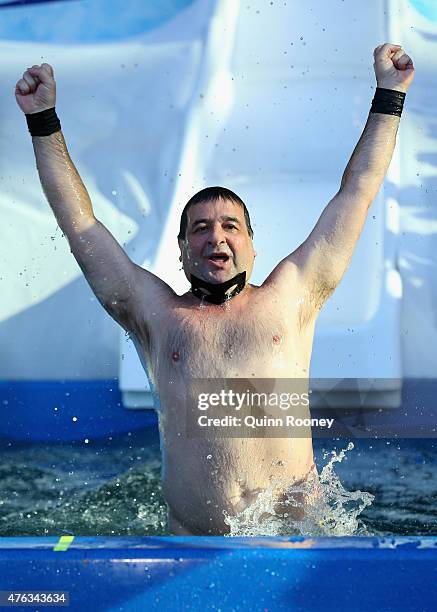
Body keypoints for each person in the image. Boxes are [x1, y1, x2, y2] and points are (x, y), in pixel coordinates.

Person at [15, 43, 414, 535]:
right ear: (181, 250)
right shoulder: (155, 315)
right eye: (200, 229)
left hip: (299, 543)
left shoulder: (291, 296)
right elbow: (80, 226)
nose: (216, 236)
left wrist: (390, 95)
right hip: (192, 551)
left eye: (230, 226)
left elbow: (357, 191)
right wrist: (43, 120)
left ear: (251, 246)